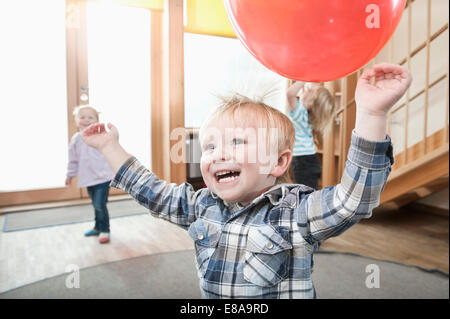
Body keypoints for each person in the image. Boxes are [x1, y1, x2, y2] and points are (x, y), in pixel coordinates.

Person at [82, 63, 411, 298]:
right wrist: (111, 147)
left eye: (237, 142)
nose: (218, 154)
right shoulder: (200, 206)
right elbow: (151, 192)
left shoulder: (295, 213)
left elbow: (354, 199)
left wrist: (371, 114)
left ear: (278, 162)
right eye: (210, 146)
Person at [66, 105, 114, 244]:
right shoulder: (76, 139)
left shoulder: (100, 137)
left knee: (100, 204)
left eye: (90, 117)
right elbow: (73, 159)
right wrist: (70, 175)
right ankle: (97, 227)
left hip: (103, 177)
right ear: (76, 120)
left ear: (97, 120)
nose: (86, 120)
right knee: (96, 204)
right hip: (88, 178)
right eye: (82, 117)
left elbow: (111, 153)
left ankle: (105, 229)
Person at [286, 81, 335, 189]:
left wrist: (302, 78)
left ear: (310, 103)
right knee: (310, 192)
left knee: (306, 194)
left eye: (308, 91)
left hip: (302, 161)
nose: (304, 90)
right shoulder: (308, 116)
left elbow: (290, 93)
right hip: (310, 158)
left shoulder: (300, 113)